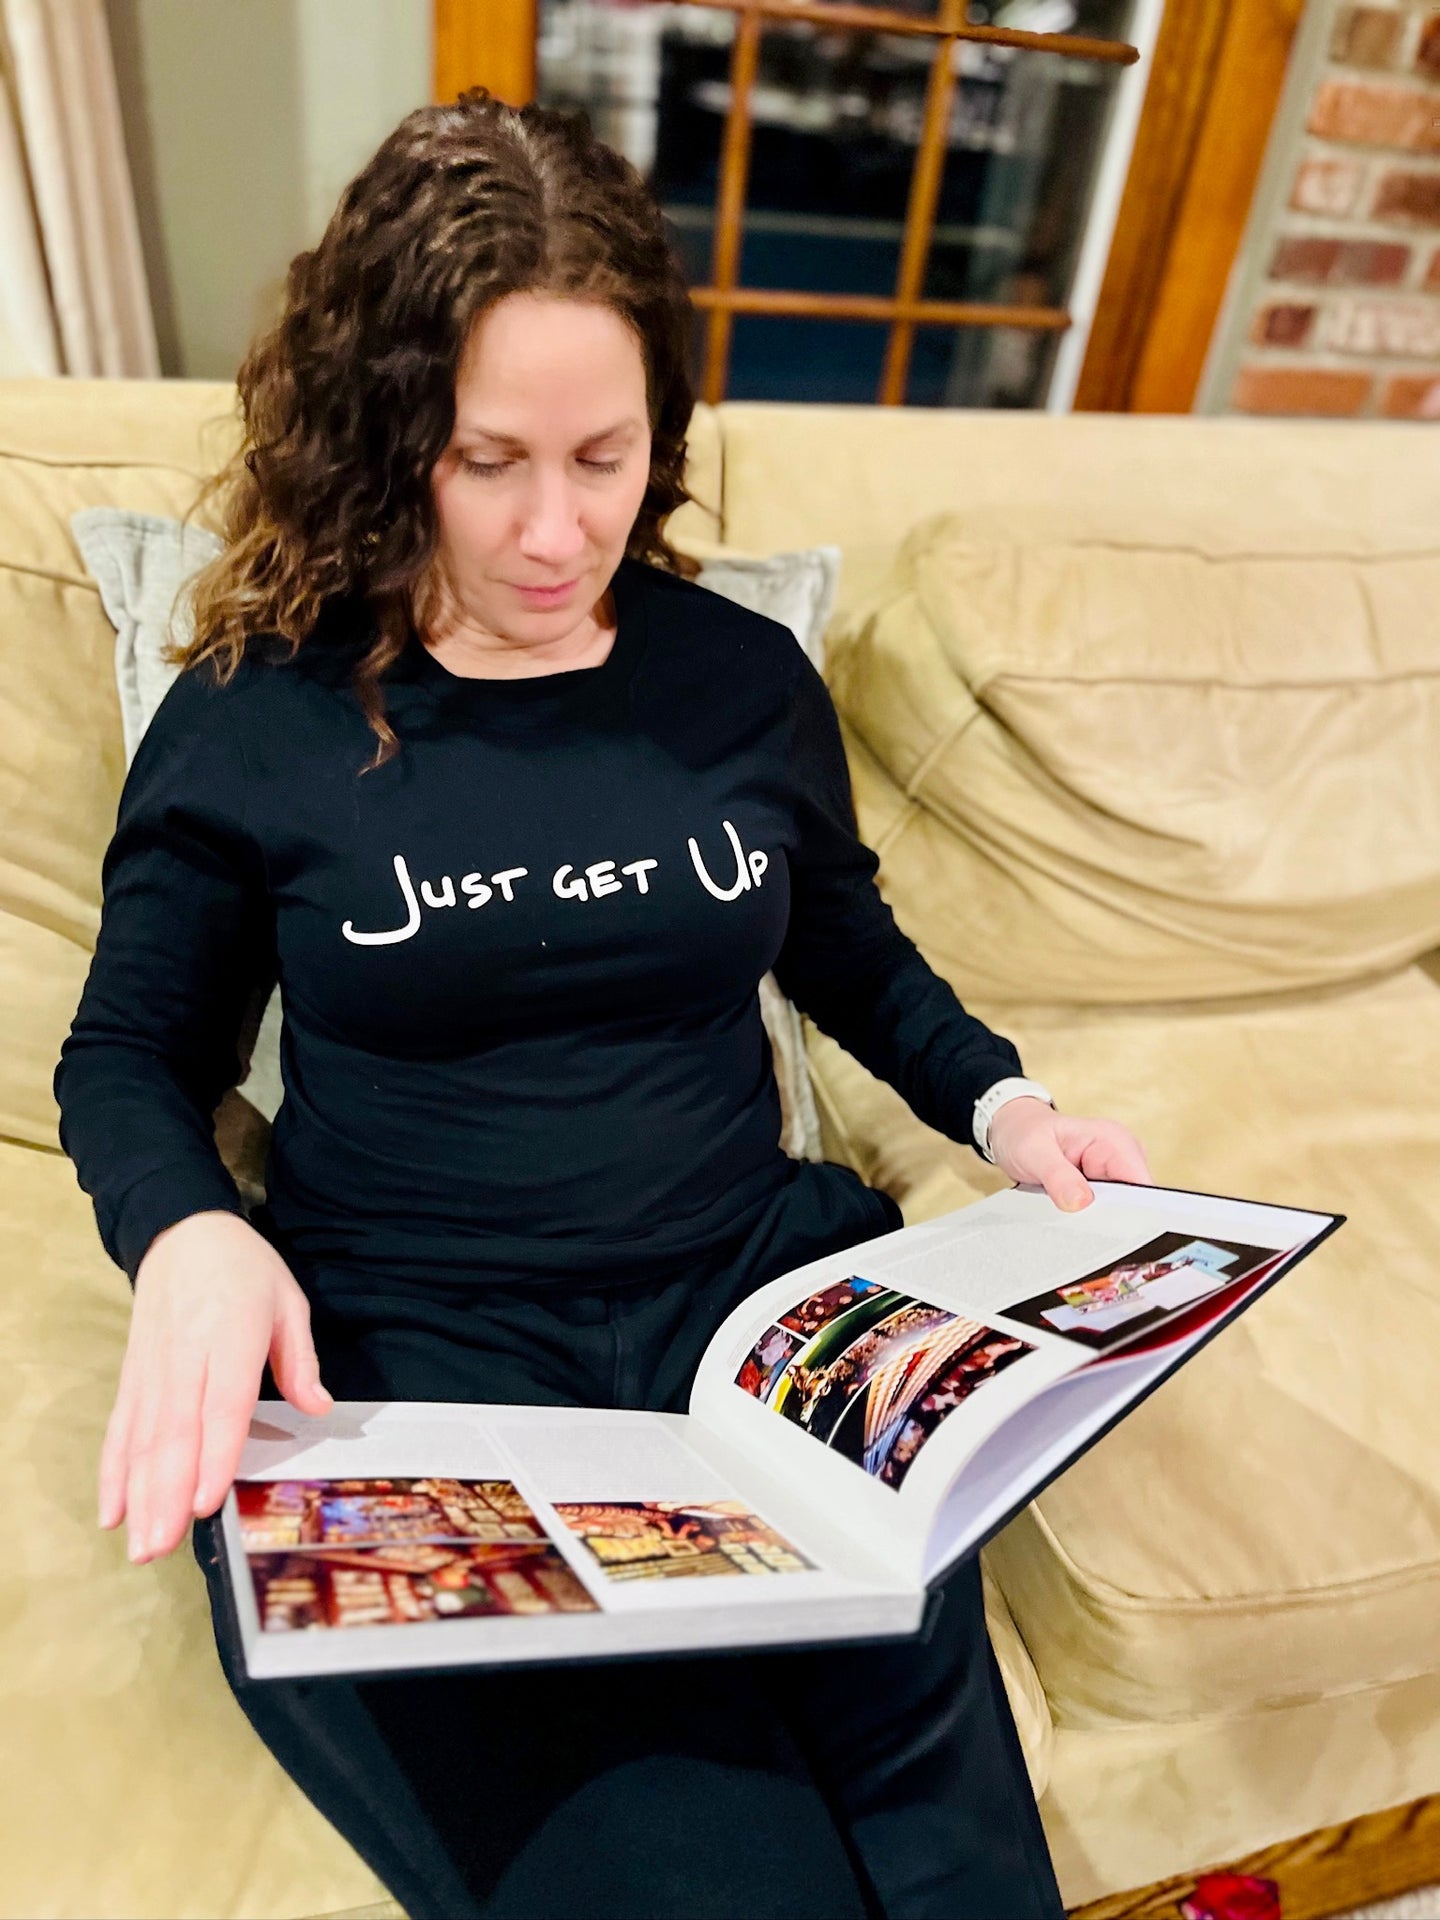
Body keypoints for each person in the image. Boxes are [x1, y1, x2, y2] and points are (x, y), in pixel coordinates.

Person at [54, 89, 1153, 1920]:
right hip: (429, 1373)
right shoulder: (258, 717)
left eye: (604, 456)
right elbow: (126, 1056)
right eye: (488, 460)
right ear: (388, 424)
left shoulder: (735, 680)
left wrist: (1005, 1106)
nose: (555, 531)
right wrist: (185, 1233)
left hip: (761, 1324)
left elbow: (844, 938)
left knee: (964, 1874)